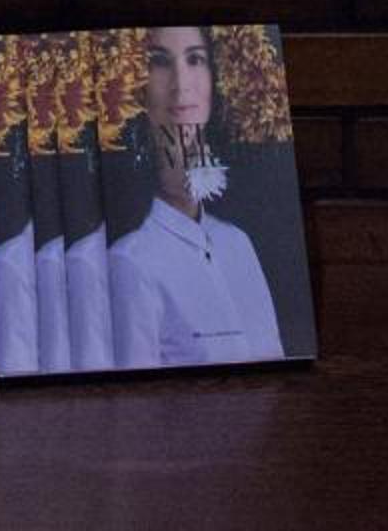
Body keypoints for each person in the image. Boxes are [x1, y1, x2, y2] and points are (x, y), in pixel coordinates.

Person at [108, 25, 284, 368]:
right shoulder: (130, 261)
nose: (181, 85)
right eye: (159, 61)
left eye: (195, 59)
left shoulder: (237, 243)